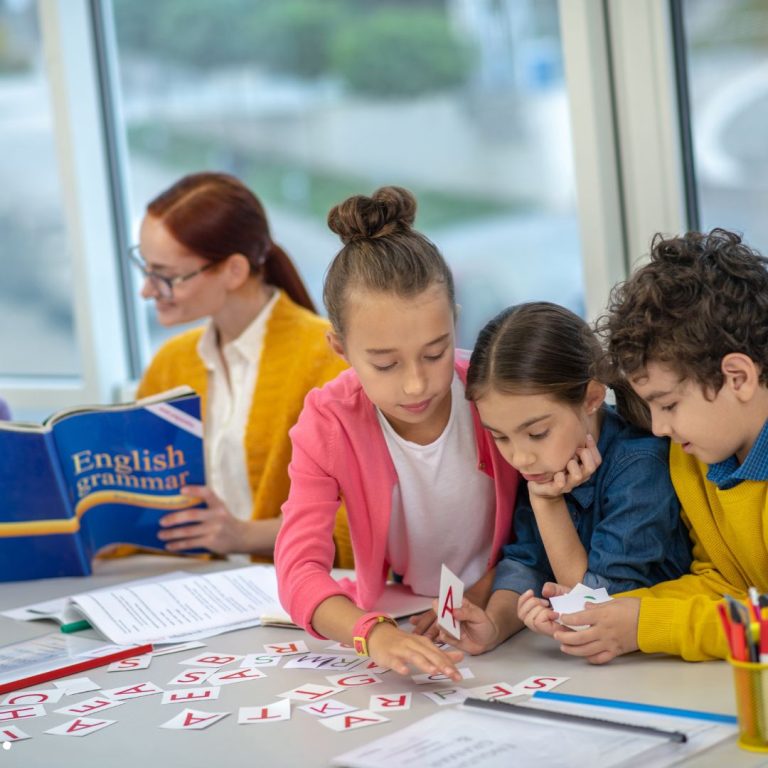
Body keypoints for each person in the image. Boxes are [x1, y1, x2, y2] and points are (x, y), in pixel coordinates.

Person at [274, 186, 519, 680]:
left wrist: (484, 595)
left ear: (455, 322)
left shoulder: (498, 390)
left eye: (436, 352)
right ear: (340, 348)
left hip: (512, 609)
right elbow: (298, 571)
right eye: (384, 364)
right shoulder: (328, 421)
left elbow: (548, 521)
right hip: (401, 618)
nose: (416, 383)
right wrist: (373, 633)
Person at [547, 228, 768, 664]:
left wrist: (648, 626)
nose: (660, 428)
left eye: (668, 404)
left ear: (738, 377)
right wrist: (611, 615)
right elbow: (724, 582)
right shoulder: (699, 455)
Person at [435, 302, 691, 655]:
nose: (520, 457)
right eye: (500, 436)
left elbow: (595, 606)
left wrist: (546, 502)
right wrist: (494, 626)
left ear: (592, 398)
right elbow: (526, 562)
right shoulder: (547, 462)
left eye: (537, 433)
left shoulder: (640, 465)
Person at [133, 172, 350, 563]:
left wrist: (243, 536)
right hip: (189, 589)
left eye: (164, 275)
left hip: (290, 595)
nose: (147, 290)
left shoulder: (329, 360)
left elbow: (362, 519)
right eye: (146, 268)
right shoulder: (171, 363)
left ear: (234, 271)